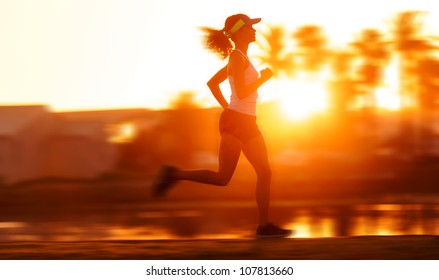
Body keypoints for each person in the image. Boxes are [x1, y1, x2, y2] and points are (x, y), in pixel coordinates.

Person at [153, 14, 292, 238]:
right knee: (223, 178)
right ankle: (173, 174)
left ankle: (264, 226)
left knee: (265, 172)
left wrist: (229, 106)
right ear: (238, 32)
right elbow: (242, 92)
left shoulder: (240, 58)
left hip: (246, 121)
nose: (254, 30)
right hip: (237, 121)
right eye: (249, 27)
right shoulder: (237, 58)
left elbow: (213, 83)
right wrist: (262, 79)